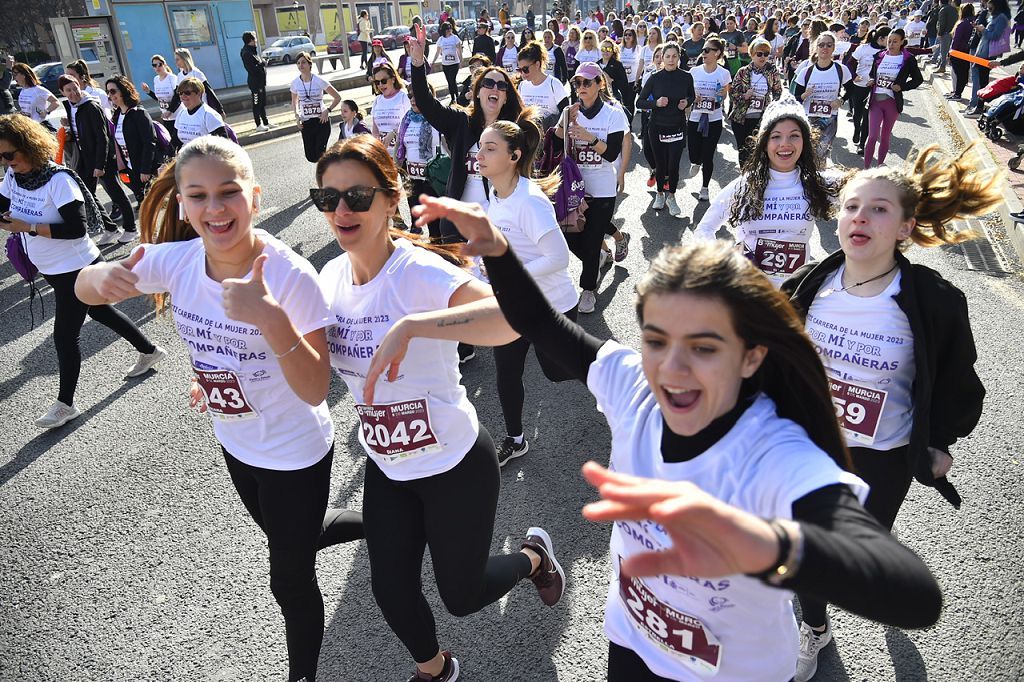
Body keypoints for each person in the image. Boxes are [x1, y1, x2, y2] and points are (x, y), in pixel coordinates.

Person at [399, 193, 944, 682]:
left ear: (751, 355)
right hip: (633, 643)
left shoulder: (775, 453)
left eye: (704, 347)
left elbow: (912, 595)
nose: (674, 369)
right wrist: (496, 249)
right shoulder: (632, 384)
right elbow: (542, 324)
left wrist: (763, 543)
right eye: (657, 341)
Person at [76, 136, 363, 682]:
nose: (215, 208)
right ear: (183, 204)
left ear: (255, 197)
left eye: (229, 192)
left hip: (294, 450)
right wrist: (99, 280)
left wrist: (271, 320)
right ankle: (389, 523)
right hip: (234, 440)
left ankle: (301, 675)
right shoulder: (179, 260)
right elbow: (85, 288)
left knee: (289, 578)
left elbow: (313, 387)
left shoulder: (288, 275)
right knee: (297, 534)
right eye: (198, 195)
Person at [313, 135, 563, 682]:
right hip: (387, 465)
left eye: (356, 196)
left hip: (453, 463)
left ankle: (535, 559)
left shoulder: (418, 273)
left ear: (390, 197)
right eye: (326, 199)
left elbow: (507, 319)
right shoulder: (329, 280)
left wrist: (416, 325)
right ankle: (437, 669)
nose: (340, 211)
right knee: (390, 590)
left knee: (463, 595)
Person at [783, 143, 994, 682]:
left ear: (905, 227)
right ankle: (814, 626)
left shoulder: (933, 300)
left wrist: (940, 441)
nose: (860, 217)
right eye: (852, 206)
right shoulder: (811, 286)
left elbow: (959, 385)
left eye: (879, 209)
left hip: (883, 455)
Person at [0, 114, 165, 429]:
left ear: (28, 146)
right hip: (53, 268)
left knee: (64, 335)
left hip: (77, 268)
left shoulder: (58, 180)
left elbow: (77, 229)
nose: (6, 162)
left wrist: (27, 226)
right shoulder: (14, 177)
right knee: (101, 312)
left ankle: (65, 404)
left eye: (10, 154)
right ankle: (150, 350)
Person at [475, 117, 577, 465]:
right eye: (480, 147)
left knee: (559, 371)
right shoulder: (496, 192)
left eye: (490, 148)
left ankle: (618, 387)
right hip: (515, 307)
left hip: (553, 305)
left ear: (514, 155)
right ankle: (516, 439)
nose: (480, 155)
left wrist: (509, 277)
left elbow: (559, 257)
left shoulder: (530, 201)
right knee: (507, 372)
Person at [695, 95, 839, 288]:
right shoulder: (744, 186)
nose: (785, 144)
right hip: (749, 293)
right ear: (764, 142)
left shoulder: (817, 184)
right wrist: (724, 260)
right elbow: (704, 229)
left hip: (793, 295)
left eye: (794, 136)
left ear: (805, 141)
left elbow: (877, 192)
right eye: (776, 136)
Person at [408, 24, 527, 242]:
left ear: (506, 97)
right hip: (458, 226)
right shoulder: (460, 123)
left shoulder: (515, 131)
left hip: (499, 225)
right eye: (488, 83)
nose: (494, 88)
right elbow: (426, 103)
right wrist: (417, 63)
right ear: (477, 93)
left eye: (501, 86)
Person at [555, 62, 627, 314]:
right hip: (574, 188)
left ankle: (587, 290)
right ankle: (605, 250)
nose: (581, 87)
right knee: (572, 236)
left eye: (587, 82)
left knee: (593, 237)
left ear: (600, 84)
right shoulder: (570, 111)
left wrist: (589, 137)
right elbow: (555, 141)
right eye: (577, 83)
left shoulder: (614, 113)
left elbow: (612, 154)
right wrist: (566, 122)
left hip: (603, 188)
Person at [57, 75, 137, 245]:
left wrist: (100, 165)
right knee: (88, 195)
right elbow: (81, 132)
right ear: (62, 92)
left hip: (102, 158)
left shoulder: (91, 106)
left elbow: (103, 138)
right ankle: (111, 229)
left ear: (80, 86)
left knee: (117, 193)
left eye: (75, 88)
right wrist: (70, 133)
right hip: (85, 158)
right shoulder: (70, 106)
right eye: (68, 90)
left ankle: (131, 229)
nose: (73, 93)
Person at [636, 42, 694, 217]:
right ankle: (660, 194)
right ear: (662, 58)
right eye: (667, 56)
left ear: (678, 58)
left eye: (674, 56)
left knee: (674, 165)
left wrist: (688, 102)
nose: (670, 60)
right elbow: (640, 102)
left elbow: (691, 95)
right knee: (660, 164)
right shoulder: (655, 78)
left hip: (677, 126)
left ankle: (672, 196)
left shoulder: (686, 77)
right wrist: (656, 103)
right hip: (657, 127)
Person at [862, 29, 924, 168]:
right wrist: (871, 80)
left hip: (892, 103)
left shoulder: (907, 59)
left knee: (885, 136)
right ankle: (866, 169)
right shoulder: (879, 55)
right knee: (872, 136)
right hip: (876, 101)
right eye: (889, 41)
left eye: (895, 41)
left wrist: (902, 87)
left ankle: (880, 167)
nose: (891, 44)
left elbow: (918, 79)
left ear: (902, 41)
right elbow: (873, 74)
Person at [793, 32, 852, 167]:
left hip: (829, 119)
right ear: (816, 48)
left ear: (833, 48)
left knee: (821, 154)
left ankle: (819, 182)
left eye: (829, 45)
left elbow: (851, 89)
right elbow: (795, 98)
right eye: (821, 45)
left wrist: (841, 100)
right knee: (807, 153)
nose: (825, 48)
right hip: (808, 118)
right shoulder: (806, 72)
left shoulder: (841, 70)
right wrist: (805, 95)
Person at [688, 34, 731, 202]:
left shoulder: (724, 73)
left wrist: (723, 94)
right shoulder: (694, 71)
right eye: (703, 50)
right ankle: (695, 162)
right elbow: (688, 94)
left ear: (717, 53)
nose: (703, 53)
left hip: (713, 119)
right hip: (695, 117)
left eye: (707, 50)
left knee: (708, 155)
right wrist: (694, 96)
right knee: (693, 153)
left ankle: (705, 187)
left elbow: (724, 96)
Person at [396, 82, 442, 237]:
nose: (413, 99)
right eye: (410, 96)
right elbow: (400, 142)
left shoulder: (438, 116)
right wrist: (397, 163)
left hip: (433, 175)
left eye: (417, 96)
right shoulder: (406, 118)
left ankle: (438, 242)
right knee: (414, 207)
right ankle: (417, 235)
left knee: (432, 216)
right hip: (412, 173)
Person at [106, 76, 162, 202]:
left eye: (113, 91)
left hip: (145, 170)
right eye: (108, 92)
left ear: (124, 90)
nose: (110, 95)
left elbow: (149, 142)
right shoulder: (117, 115)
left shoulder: (139, 113)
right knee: (144, 205)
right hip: (131, 169)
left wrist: (145, 169)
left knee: (156, 206)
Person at [728, 37, 782, 168]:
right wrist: (744, 96)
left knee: (759, 151)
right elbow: (732, 93)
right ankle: (745, 178)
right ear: (752, 54)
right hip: (741, 118)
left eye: (766, 54)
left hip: (761, 118)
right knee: (743, 151)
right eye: (759, 54)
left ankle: (757, 178)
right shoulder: (743, 72)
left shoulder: (772, 71)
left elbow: (778, 92)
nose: (762, 57)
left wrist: (773, 105)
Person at [290, 52, 341, 164]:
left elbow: (337, 97)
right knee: (311, 157)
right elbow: (294, 101)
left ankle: (326, 176)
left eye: (303, 62)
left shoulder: (319, 80)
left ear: (309, 64)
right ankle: (333, 158)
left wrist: (327, 111)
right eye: (298, 63)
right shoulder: (295, 83)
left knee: (320, 155)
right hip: (306, 123)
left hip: (321, 121)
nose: (300, 65)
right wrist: (297, 117)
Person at [966, 0, 1012, 116]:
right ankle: (980, 106)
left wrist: (984, 30)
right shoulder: (994, 17)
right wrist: (979, 30)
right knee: (982, 79)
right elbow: (986, 35)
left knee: (983, 81)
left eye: (990, 4)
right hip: (982, 50)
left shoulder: (1001, 18)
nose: (988, 6)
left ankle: (980, 107)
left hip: (988, 53)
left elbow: (995, 36)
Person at [848, 26, 888, 155]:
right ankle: (856, 130)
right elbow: (849, 63)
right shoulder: (864, 48)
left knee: (867, 117)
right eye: (888, 39)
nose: (891, 42)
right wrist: (854, 76)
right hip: (859, 86)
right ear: (881, 38)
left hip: (874, 88)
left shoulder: (887, 52)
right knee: (857, 113)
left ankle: (862, 144)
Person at [518, 40, 570, 131]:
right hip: (528, 138)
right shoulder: (522, 86)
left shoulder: (554, 84)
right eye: (520, 70)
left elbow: (566, 114)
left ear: (537, 64)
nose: (523, 74)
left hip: (550, 137)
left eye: (525, 69)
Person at [370, 63, 411, 159]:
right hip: (385, 155)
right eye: (377, 82)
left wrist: (393, 133)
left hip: (403, 153)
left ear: (393, 79)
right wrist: (376, 139)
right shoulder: (377, 100)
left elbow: (411, 121)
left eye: (383, 81)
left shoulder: (403, 97)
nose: (380, 85)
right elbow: (375, 127)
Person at [174, 78, 228, 146]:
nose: (183, 96)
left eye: (187, 93)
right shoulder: (181, 113)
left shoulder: (209, 114)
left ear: (199, 93)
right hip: (187, 155)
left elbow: (223, 143)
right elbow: (175, 141)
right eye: (180, 93)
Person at [170, 48, 224, 116]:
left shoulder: (196, 73)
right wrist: (170, 110)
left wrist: (220, 110)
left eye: (178, 59)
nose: (176, 62)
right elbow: (177, 95)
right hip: (188, 111)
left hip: (201, 110)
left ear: (185, 59)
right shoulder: (179, 75)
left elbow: (209, 92)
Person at [140, 54, 179, 136]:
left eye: (159, 64)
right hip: (166, 116)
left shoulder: (172, 78)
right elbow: (159, 98)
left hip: (176, 115)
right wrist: (148, 91)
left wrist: (170, 111)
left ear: (165, 64)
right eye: (154, 65)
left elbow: (178, 97)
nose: (157, 67)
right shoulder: (156, 79)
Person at [947, 3, 977, 102]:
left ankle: (957, 94)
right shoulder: (974, 22)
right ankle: (957, 92)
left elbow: (956, 40)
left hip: (958, 52)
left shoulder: (962, 23)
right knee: (964, 73)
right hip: (968, 51)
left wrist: (950, 52)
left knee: (959, 74)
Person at [241, 31, 270, 131]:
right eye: (255, 39)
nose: (256, 41)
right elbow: (252, 69)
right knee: (257, 104)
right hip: (255, 84)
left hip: (261, 82)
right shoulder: (246, 53)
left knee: (262, 103)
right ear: (251, 40)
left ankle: (266, 122)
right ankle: (258, 125)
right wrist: (262, 64)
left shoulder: (253, 51)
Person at [599, 39, 632, 122]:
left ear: (613, 51)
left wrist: (611, 81)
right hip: (599, 96)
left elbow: (624, 84)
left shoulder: (617, 65)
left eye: (609, 49)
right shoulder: (596, 64)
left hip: (613, 95)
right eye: (603, 49)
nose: (606, 51)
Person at [432, 22, 463, 100]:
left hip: (454, 63)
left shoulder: (455, 38)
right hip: (445, 64)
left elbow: (459, 51)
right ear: (444, 30)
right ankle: (453, 97)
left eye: (450, 28)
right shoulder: (441, 39)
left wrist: (461, 61)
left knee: (452, 79)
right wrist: (433, 61)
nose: (449, 30)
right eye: (447, 29)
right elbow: (438, 52)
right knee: (449, 81)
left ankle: (457, 96)